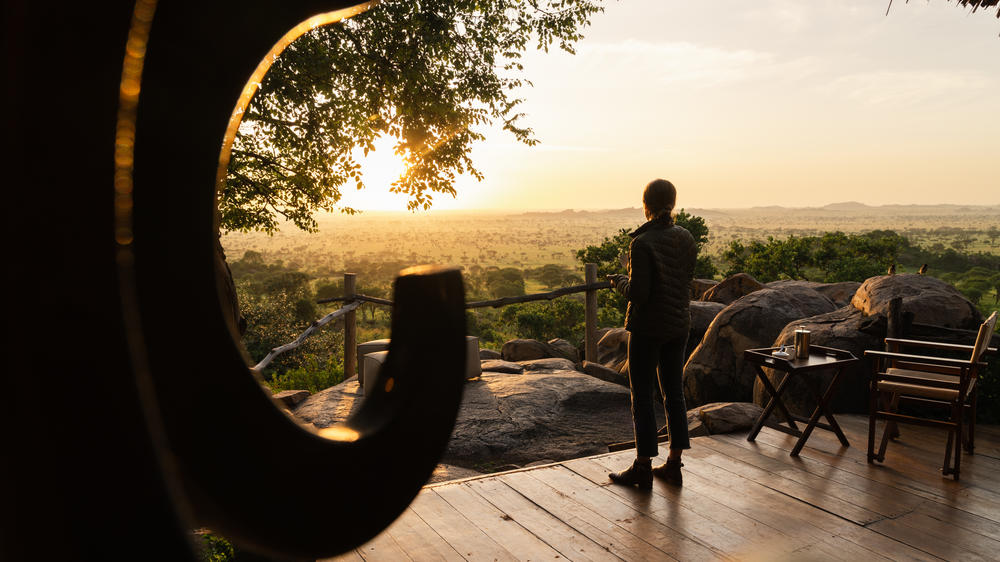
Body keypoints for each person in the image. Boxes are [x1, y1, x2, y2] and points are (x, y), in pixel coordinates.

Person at [607, 179, 696, 489]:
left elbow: (640, 294)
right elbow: (682, 281)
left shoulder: (641, 243)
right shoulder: (685, 237)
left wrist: (619, 280)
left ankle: (642, 467)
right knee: (674, 395)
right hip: (679, 326)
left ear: (645, 205)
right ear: (672, 202)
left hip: (648, 329)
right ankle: (673, 465)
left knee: (642, 397)